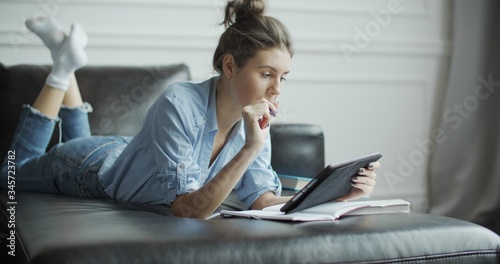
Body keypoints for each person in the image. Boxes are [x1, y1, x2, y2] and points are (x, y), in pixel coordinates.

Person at [1, 0, 380, 219]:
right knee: (9, 177)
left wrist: (334, 194)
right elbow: (189, 210)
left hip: (121, 152)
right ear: (230, 66)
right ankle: (62, 69)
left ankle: (65, 60)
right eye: (266, 74)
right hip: (89, 168)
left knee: (74, 141)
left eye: (284, 77)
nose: (277, 89)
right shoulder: (180, 102)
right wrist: (250, 147)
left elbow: (261, 200)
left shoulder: (255, 120)